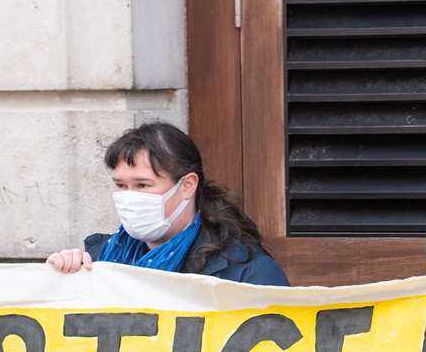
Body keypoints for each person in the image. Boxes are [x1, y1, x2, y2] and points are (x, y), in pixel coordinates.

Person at [48, 121, 287, 286]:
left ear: (187, 186)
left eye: (143, 185)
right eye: (121, 186)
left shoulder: (245, 271)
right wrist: (61, 275)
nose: (130, 196)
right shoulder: (98, 259)